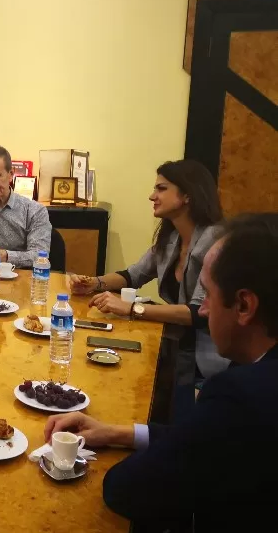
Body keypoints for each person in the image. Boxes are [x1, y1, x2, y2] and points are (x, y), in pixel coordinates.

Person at [44, 214, 278, 533]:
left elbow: (127, 490)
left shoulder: (241, 394)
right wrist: (117, 433)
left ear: (243, 305)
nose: (203, 310)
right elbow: (199, 440)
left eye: (208, 295)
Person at [68, 160, 227, 379]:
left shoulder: (214, 241)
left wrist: (132, 308)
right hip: (178, 344)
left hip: (207, 356)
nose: (152, 196)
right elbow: (132, 276)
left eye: (161, 189)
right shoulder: (172, 237)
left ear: (188, 195)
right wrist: (93, 283)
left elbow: (198, 312)